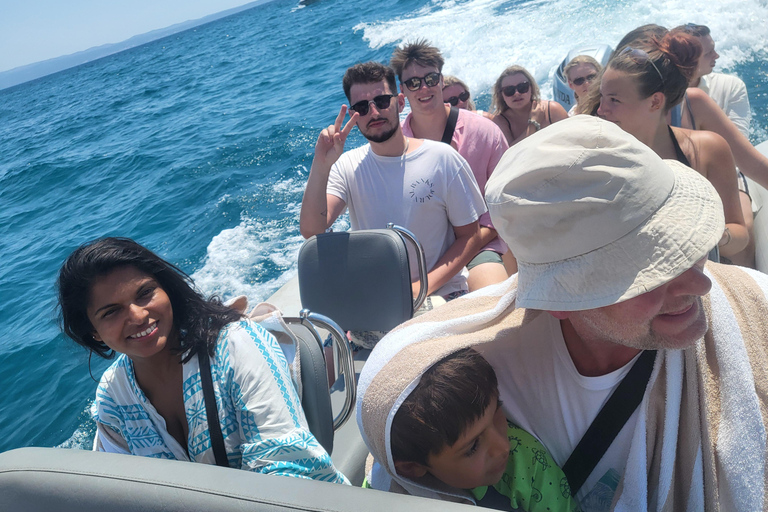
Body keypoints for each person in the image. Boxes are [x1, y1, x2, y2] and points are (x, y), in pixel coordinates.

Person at [358, 116, 768, 511]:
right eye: (651, 275)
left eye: (688, 249)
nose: (702, 285)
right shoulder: (470, 387)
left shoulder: (757, 308)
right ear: (559, 301)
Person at [57, 237, 348, 483]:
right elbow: (117, 492)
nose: (137, 315)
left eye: (145, 293)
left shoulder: (236, 344)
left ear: (166, 290)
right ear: (93, 332)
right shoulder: (112, 396)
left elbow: (291, 469)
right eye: (111, 312)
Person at [299, 61, 487, 302]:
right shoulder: (347, 166)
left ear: (399, 103)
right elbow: (311, 230)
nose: (374, 113)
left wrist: (421, 287)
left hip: (444, 291)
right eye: (362, 108)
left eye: (381, 101)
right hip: (380, 300)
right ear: (354, 117)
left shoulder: (442, 158)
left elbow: (469, 237)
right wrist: (321, 164)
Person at [596, 31, 749, 261]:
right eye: (602, 97)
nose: (600, 110)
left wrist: (713, 235)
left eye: (614, 100)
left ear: (655, 101)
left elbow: (739, 232)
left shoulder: (708, 149)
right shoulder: (597, 154)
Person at [379, 347, 580, 511]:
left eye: (496, 413)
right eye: (473, 447)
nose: (503, 447)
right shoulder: (384, 493)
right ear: (411, 468)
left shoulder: (529, 464)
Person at [390, 41, 514, 289]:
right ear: (402, 91)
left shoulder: (485, 132)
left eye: (431, 78)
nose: (423, 87)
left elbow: (505, 205)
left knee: (491, 301)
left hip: (480, 247)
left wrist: (463, 248)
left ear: (442, 80)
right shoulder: (395, 147)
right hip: (421, 256)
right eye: (414, 83)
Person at [674, 23, 751, 137]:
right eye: (709, 53)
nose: (716, 55)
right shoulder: (659, 93)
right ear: (688, 60)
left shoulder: (731, 86)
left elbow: (740, 141)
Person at [490, 65, 568, 146]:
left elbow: (571, 140)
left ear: (531, 88)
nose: (517, 93)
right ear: (501, 95)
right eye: (509, 90)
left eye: (522, 87)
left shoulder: (552, 110)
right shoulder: (500, 122)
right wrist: (533, 124)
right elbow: (509, 155)